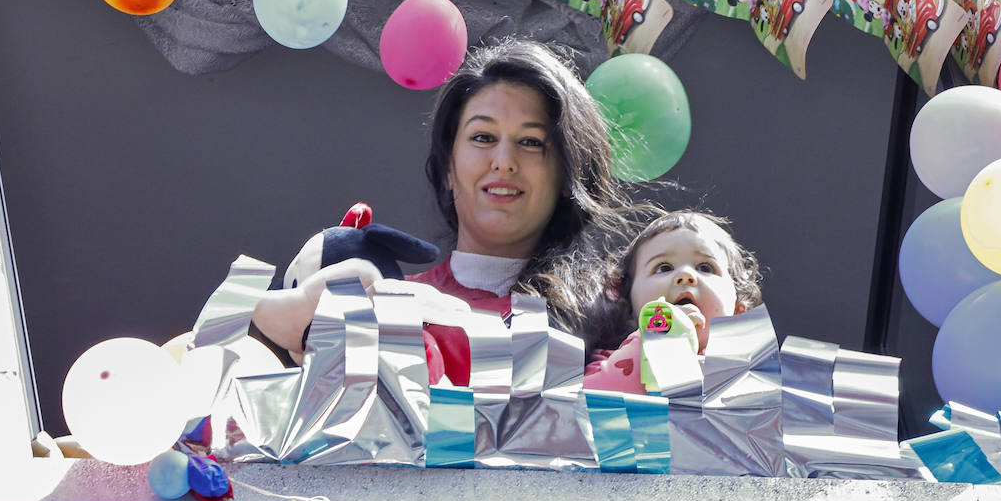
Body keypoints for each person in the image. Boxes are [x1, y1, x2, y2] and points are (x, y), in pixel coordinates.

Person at [253, 37, 638, 385]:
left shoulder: (615, 307)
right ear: (449, 169)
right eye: (483, 137)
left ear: (567, 175)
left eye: (531, 142)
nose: (504, 161)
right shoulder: (378, 299)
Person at [583, 210, 763, 394]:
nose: (685, 275)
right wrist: (660, 335)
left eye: (705, 267)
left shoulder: (750, 372)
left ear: (739, 309)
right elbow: (584, 403)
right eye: (664, 267)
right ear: (628, 305)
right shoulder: (610, 361)